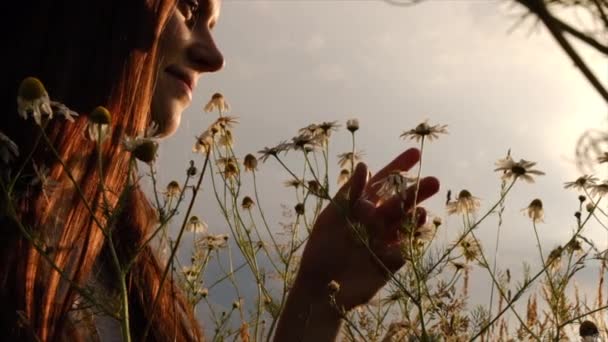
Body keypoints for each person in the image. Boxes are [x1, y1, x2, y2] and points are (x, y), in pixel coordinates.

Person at [1, 0, 439, 341]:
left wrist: (320, 294)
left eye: (212, 26)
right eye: (190, 10)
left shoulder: (116, 242)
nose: (214, 59)